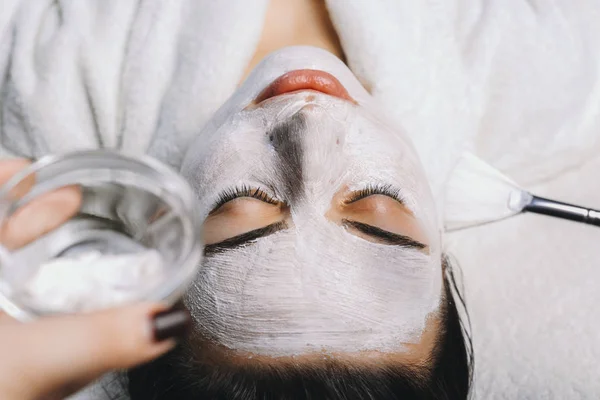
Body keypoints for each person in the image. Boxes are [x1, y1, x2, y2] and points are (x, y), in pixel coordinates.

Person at [0, 1, 472, 399]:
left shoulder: (51, 87)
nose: (307, 128)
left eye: (242, 202)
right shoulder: (470, 87)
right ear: (443, 259)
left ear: (160, 248)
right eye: (377, 201)